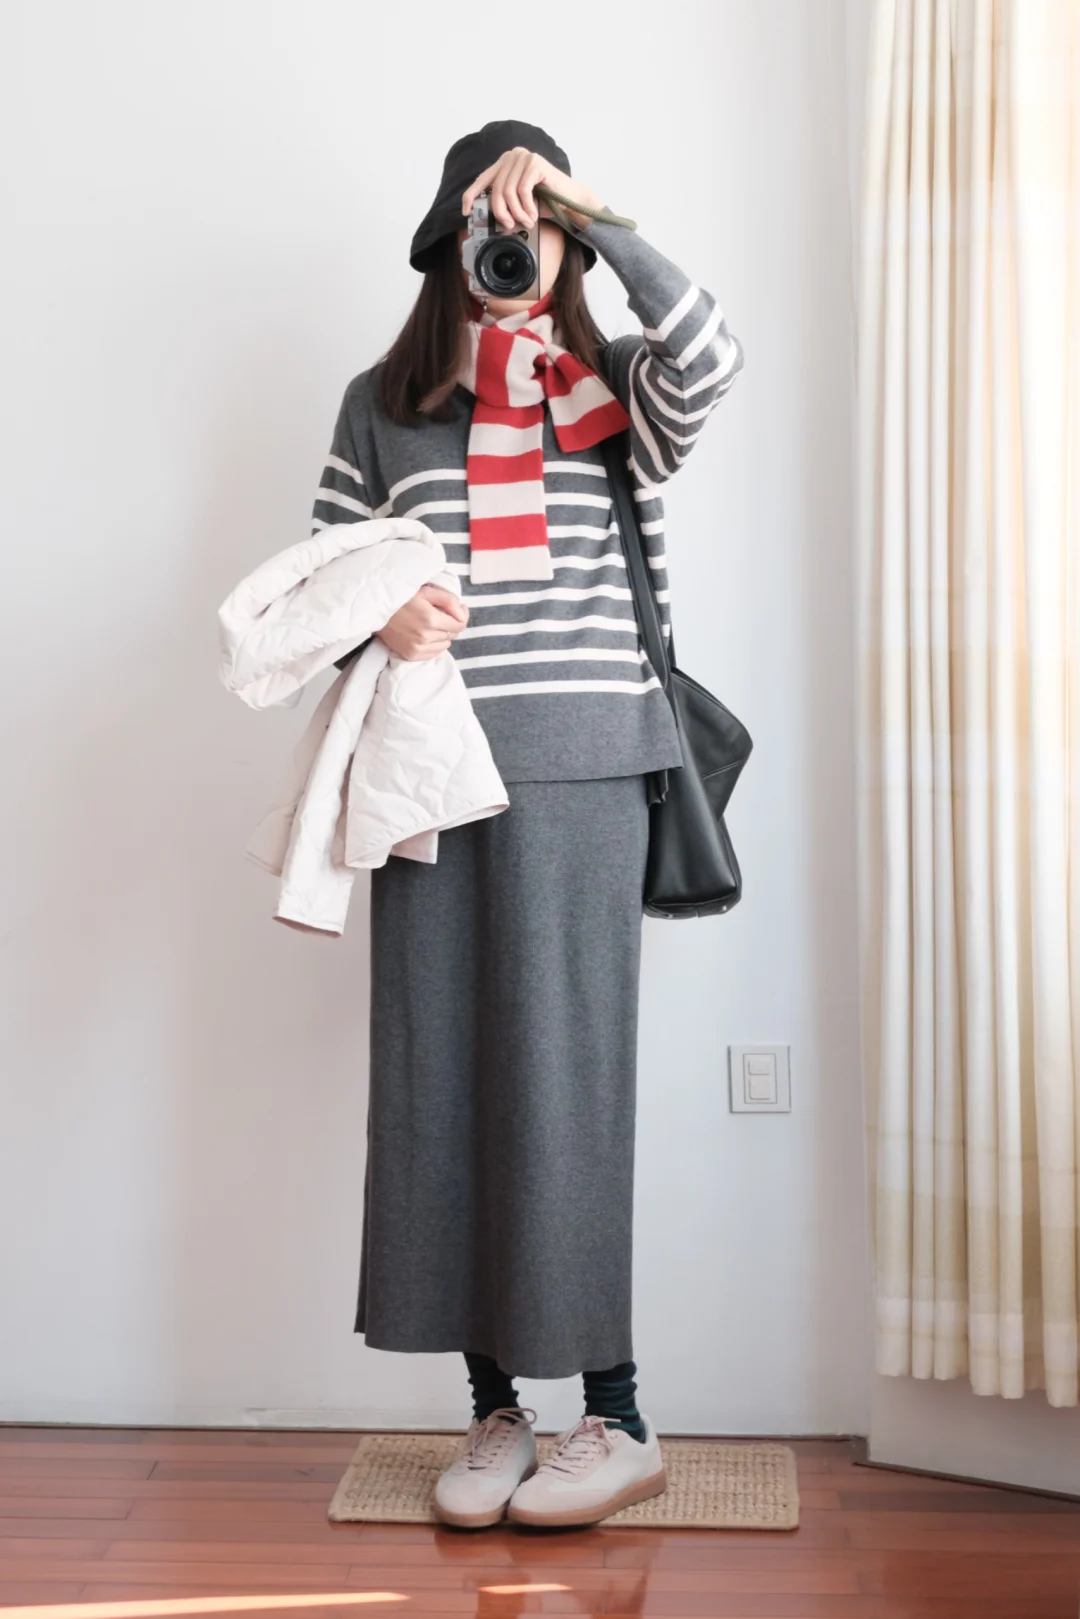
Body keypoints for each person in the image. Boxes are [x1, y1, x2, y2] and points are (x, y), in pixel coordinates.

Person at [312, 119, 744, 1529]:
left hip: (583, 767)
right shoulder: (384, 404)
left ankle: (615, 1415)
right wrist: (382, 613)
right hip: (426, 774)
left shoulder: (617, 389)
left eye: (535, 226)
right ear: (449, 247)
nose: (512, 248)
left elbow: (714, 351)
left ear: (566, 241)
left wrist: (592, 210)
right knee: (439, 1078)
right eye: (490, 226)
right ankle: (494, 1408)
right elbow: (322, 583)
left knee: (565, 1083)